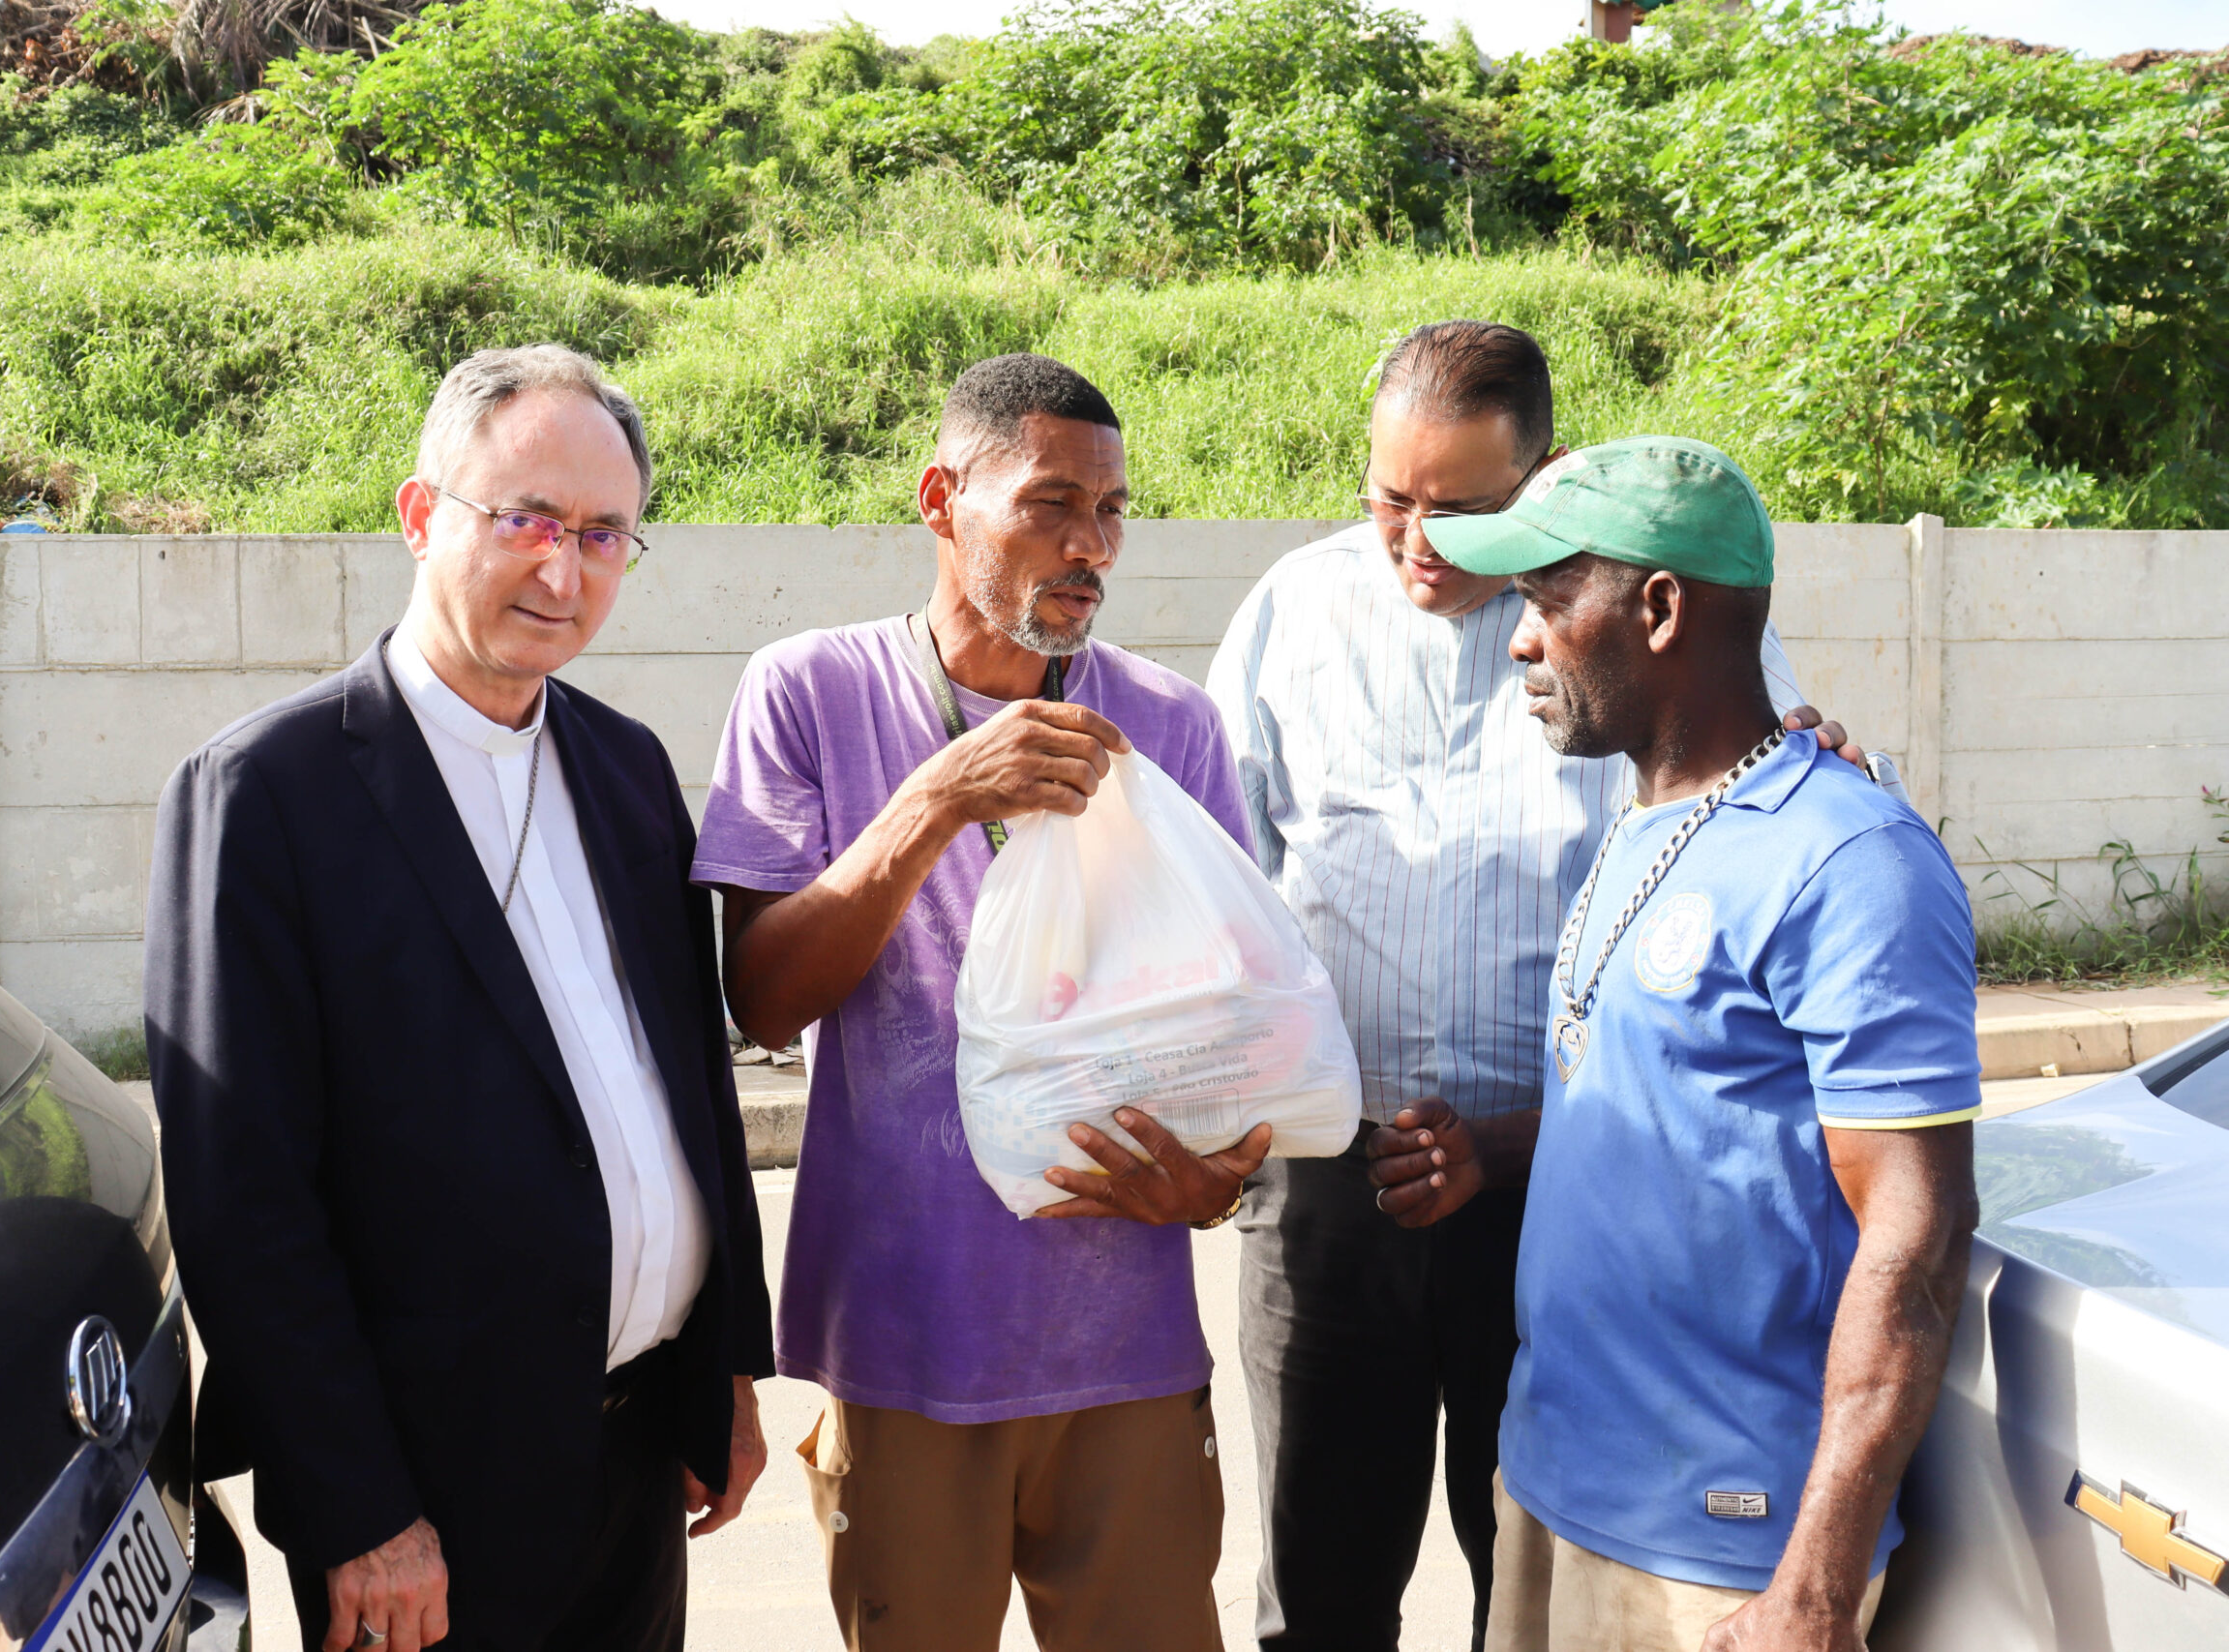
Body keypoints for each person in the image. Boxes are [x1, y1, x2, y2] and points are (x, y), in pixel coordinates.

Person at [1206, 321, 1863, 1651]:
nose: (1418, 543)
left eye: (1462, 510)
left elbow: (1759, 780)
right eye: (1389, 498)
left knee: (1531, 1568)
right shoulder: (1290, 611)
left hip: (1558, 1181)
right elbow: (1219, 879)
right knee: (1319, 1580)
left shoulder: (1622, 623)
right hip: (1331, 1179)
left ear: (1545, 476)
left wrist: (1828, 762)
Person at [146, 345, 772, 1652]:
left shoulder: (625, 767)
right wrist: (359, 1511)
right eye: (526, 520)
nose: (564, 572)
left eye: (603, 535)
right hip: (425, 1501)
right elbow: (242, 1200)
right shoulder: (267, 795)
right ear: (421, 514)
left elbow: (690, 1086)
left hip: (637, 1458)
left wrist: (720, 1371)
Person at [694, 353, 1257, 1652]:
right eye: (1051, 503)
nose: (1089, 545)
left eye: (1110, 511)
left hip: (1127, 1344)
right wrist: (939, 798)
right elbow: (764, 999)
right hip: (907, 1341)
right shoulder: (810, 690)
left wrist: (1215, 1180)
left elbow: (1230, 1034)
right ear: (941, 498)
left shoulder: (1170, 726)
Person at [1402, 434, 1979, 1651]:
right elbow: (1682, 1114)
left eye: (1547, 600)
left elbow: (1918, 1239)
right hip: (1551, 1483)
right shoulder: (1648, 824)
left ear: (1660, 609)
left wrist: (1812, 1591)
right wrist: (1489, 1156)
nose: (1518, 641)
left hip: (1720, 1551)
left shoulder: (1848, 858)